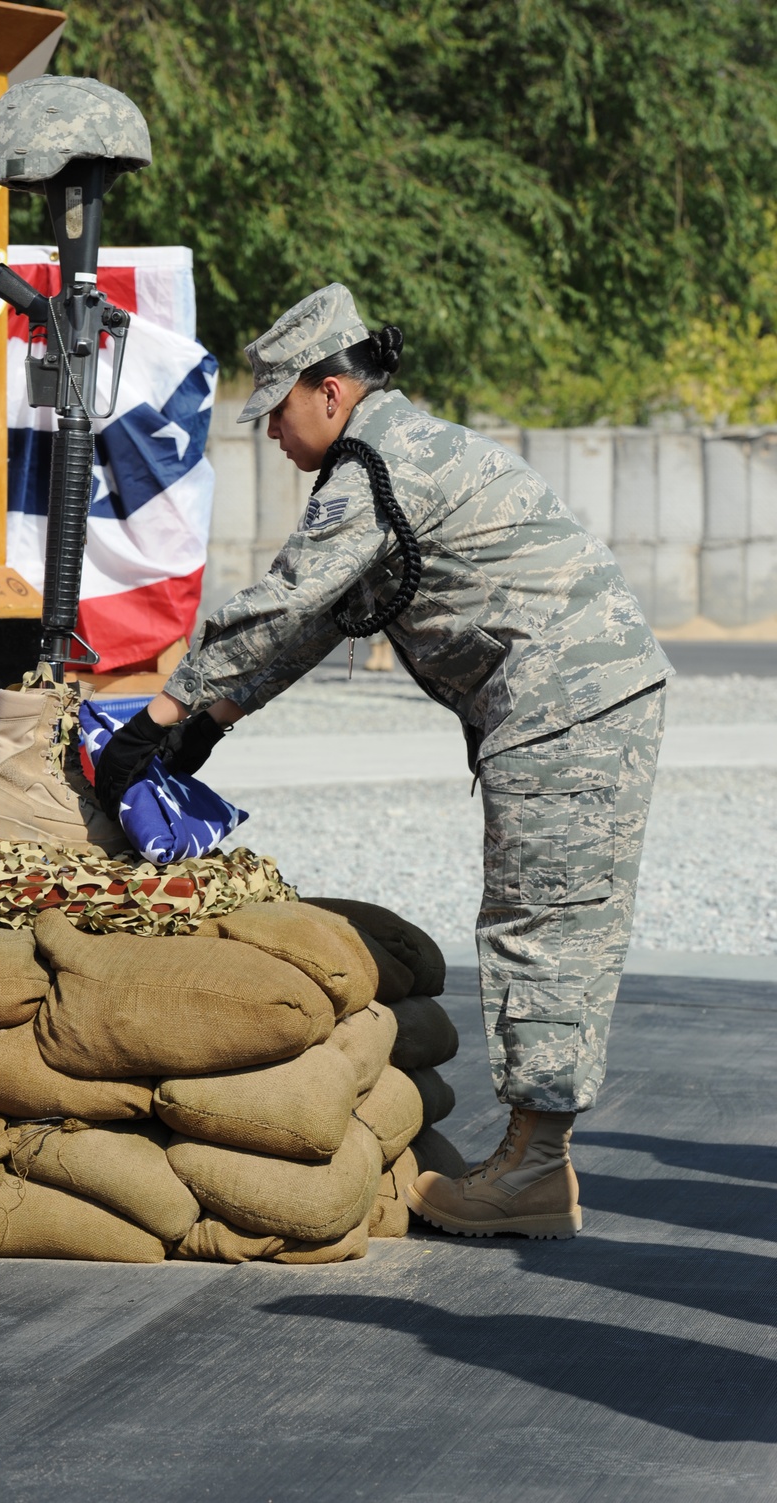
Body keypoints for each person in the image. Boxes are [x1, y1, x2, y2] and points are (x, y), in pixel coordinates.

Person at [95, 283, 672, 1241]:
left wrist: (155, 718)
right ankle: (537, 1162)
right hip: (582, 699)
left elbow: (285, 598)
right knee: (551, 915)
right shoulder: (397, 456)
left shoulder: (375, 465)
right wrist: (212, 718)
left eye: (277, 408)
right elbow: (326, 616)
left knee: (544, 923)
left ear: (329, 392)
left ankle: (534, 1171)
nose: (270, 433)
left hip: (568, 706)